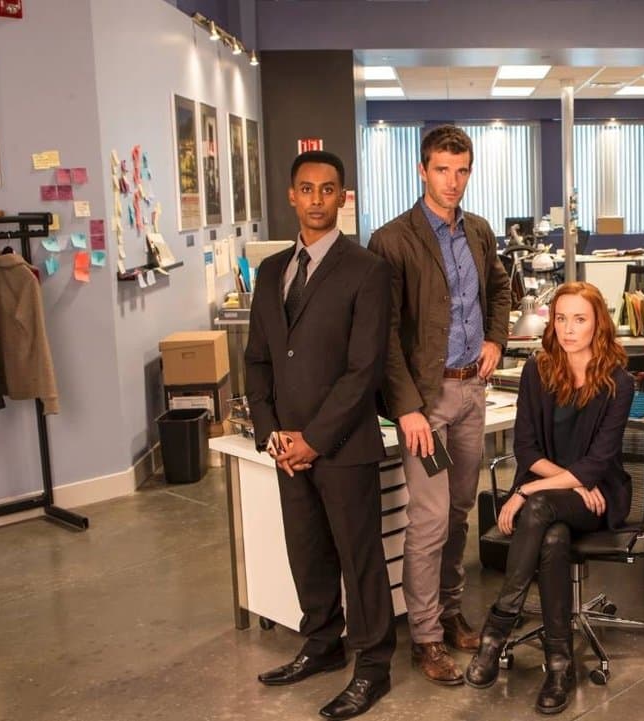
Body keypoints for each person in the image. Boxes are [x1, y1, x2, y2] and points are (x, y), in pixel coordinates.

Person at [244, 150, 395, 720]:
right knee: (307, 552)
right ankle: (323, 643)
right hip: (287, 447)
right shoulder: (270, 271)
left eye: (327, 189)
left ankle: (373, 666)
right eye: (306, 189)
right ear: (291, 195)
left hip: (343, 445)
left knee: (360, 559)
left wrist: (314, 439)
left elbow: (364, 370)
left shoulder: (367, 270)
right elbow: (258, 359)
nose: (316, 199)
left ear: (342, 198)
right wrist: (271, 434)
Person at [368, 125, 513, 685]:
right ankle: (425, 636)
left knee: (458, 513)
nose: (452, 181)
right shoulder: (392, 240)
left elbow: (498, 289)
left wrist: (495, 338)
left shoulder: (478, 230)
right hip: (425, 404)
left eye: (462, 170)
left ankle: (450, 612)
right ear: (422, 171)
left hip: (472, 392)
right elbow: (383, 335)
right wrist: (405, 408)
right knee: (429, 520)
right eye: (442, 170)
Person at [463, 282, 633, 715]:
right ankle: (560, 664)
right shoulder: (537, 371)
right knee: (553, 537)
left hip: (596, 499)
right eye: (561, 319)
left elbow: (599, 462)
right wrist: (568, 481)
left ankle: (498, 627)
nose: (568, 329)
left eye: (580, 319)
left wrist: (525, 490)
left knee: (538, 507)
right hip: (565, 492)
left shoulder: (620, 381)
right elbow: (526, 450)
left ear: (598, 324)